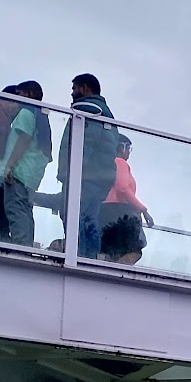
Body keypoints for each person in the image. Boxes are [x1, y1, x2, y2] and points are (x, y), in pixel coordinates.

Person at [56, 74, 119, 259]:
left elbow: (84, 145)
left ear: (85, 88)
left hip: (84, 177)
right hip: (100, 178)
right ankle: (89, 258)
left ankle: (79, 257)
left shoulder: (87, 109)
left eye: (74, 88)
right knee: (90, 219)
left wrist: (72, 172)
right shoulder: (107, 113)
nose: (72, 93)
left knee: (74, 216)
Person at [0, 82, 51, 247]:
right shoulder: (41, 117)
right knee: (25, 211)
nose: (16, 100)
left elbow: (24, 138)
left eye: (19, 94)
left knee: (15, 210)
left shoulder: (26, 113)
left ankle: (20, 248)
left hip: (18, 173)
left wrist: (9, 165)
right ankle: (24, 247)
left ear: (28, 94)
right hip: (30, 177)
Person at [98, 135, 153, 264]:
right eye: (128, 148)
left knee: (111, 253)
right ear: (122, 147)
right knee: (134, 250)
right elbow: (122, 188)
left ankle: (111, 270)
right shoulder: (120, 162)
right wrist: (143, 209)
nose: (128, 152)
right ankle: (116, 272)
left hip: (106, 211)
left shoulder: (107, 164)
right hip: (118, 211)